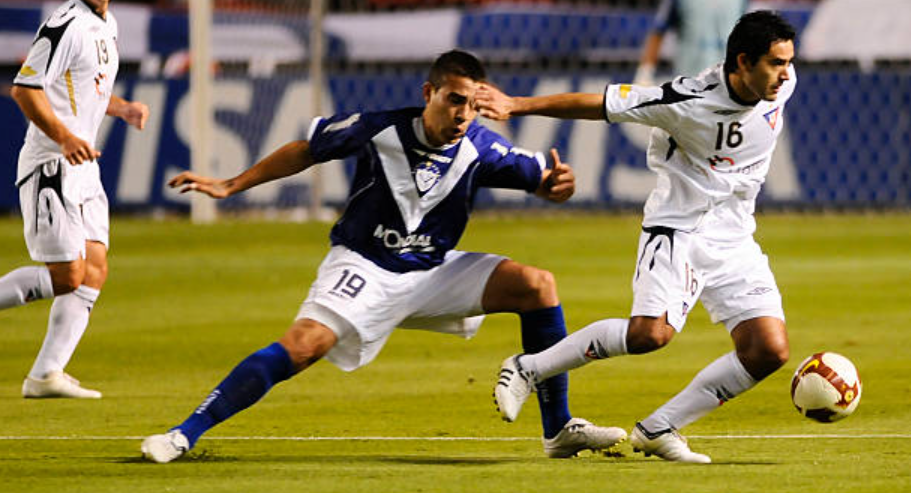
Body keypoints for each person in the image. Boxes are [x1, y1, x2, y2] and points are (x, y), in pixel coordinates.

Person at [141, 50, 627, 463]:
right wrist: (232, 184)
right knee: (303, 345)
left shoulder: (481, 147)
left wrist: (559, 188)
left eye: (473, 104)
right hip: (363, 266)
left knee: (536, 285)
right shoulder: (378, 128)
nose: (463, 113)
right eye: (454, 100)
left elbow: (545, 181)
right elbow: (305, 150)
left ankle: (558, 430)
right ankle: (184, 433)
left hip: (434, 272)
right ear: (428, 93)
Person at [479, 11, 796, 464]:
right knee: (650, 334)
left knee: (768, 349)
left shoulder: (783, 83)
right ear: (742, 62)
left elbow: (782, 76)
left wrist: (782, 69)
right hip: (679, 229)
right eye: (774, 63)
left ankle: (658, 429)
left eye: (788, 62)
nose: (785, 74)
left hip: (735, 236)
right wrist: (516, 105)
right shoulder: (685, 99)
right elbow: (598, 104)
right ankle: (527, 367)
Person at [0, 0, 150, 399]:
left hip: (84, 168)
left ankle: (46, 374)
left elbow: (84, 89)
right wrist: (64, 137)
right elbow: (25, 89)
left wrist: (121, 107)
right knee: (66, 276)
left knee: (96, 268)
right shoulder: (64, 25)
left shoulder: (107, 24)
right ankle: (45, 373)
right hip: (52, 163)